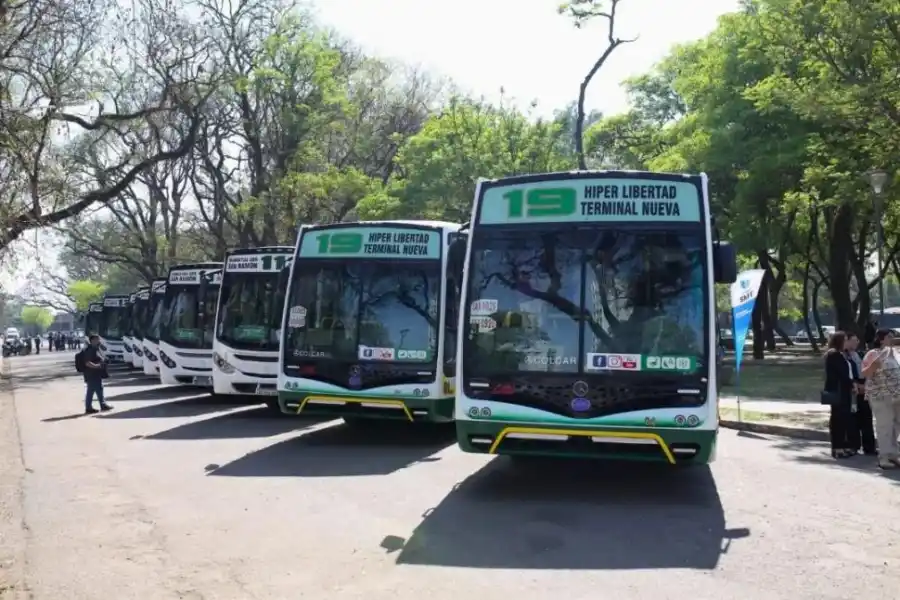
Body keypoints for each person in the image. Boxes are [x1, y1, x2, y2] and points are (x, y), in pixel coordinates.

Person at [861, 328, 900, 469]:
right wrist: (874, 365)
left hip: (897, 396)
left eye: (893, 336)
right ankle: (883, 457)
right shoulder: (873, 353)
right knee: (885, 426)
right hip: (880, 396)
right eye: (889, 336)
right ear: (881, 339)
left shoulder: (896, 354)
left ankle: (894, 455)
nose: (892, 339)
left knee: (896, 426)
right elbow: (865, 373)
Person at [823, 331, 856, 459]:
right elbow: (841, 373)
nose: (848, 342)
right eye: (846, 340)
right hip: (838, 390)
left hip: (845, 390)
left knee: (844, 419)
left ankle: (843, 445)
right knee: (838, 419)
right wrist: (851, 384)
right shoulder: (833, 354)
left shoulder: (843, 354)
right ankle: (837, 447)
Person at [844, 332, 876, 455]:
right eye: (853, 340)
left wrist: (866, 384)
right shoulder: (844, 356)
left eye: (857, 340)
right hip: (853, 389)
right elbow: (846, 373)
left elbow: (869, 369)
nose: (856, 342)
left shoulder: (861, 354)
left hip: (865, 387)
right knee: (853, 418)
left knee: (867, 417)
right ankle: (854, 445)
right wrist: (856, 384)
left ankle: (869, 447)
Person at [81, 334, 113, 414]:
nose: (99, 341)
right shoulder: (90, 350)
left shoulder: (96, 349)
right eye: (97, 339)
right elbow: (87, 363)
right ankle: (89, 408)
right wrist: (97, 366)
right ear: (92, 341)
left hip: (96, 374)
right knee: (91, 391)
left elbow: (99, 358)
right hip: (91, 374)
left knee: (99, 389)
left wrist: (105, 360)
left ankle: (102, 405)